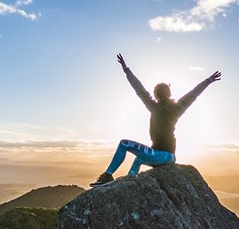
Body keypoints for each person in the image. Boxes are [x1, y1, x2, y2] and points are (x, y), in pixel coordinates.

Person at [91, 54, 221, 186]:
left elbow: (139, 88)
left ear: (155, 94)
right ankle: (130, 183)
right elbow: (193, 94)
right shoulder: (178, 108)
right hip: (170, 157)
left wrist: (126, 70)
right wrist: (208, 81)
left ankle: (108, 176)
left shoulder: (154, 106)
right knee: (138, 159)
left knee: (124, 144)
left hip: (158, 155)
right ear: (169, 93)